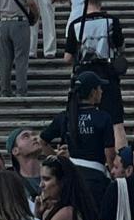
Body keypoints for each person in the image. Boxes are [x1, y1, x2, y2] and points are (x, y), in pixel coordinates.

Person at [40, 72, 116, 209]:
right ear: (93, 92)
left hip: (71, 177)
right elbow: (109, 154)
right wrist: (114, 175)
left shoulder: (65, 117)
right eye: (99, 88)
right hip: (95, 179)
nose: (102, 91)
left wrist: (58, 159)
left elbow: (42, 141)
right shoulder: (103, 118)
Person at [63, 0, 126, 150]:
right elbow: (120, 47)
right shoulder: (111, 21)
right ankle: (120, 161)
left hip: (83, 76)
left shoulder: (76, 25)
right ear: (100, 1)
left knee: (79, 116)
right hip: (107, 73)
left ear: (85, 2)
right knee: (116, 122)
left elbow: (67, 57)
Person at [0, 0, 36, 99]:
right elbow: (31, 2)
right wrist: (35, 16)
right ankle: (21, 90)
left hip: (4, 23)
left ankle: (5, 90)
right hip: (20, 22)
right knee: (21, 58)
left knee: (5, 59)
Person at [6, 129, 45, 202]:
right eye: (26, 137)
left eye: (34, 134)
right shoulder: (12, 184)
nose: (34, 138)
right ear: (15, 151)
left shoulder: (55, 174)